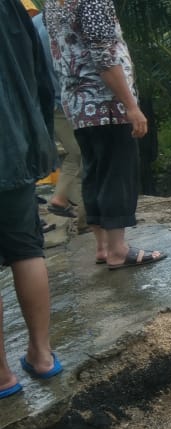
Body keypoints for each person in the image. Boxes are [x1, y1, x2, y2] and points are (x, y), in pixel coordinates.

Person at [45, 0, 167, 270]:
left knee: (95, 171)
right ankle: (118, 250)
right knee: (117, 172)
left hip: (77, 105)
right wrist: (132, 106)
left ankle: (102, 247)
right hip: (106, 103)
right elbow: (104, 58)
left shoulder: (54, 3)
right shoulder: (93, 1)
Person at [1, 0, 64, 400]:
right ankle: (41, 356)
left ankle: (2, 376)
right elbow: (41, 77)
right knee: (27, 248)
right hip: (14, 145)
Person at [26, 5, 85, 228]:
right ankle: (83, 217)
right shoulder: (63, 20)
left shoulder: (35, 24)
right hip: (64, 101)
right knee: (82, 153)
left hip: (51, 102)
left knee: (77, 153)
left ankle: (63, 201)